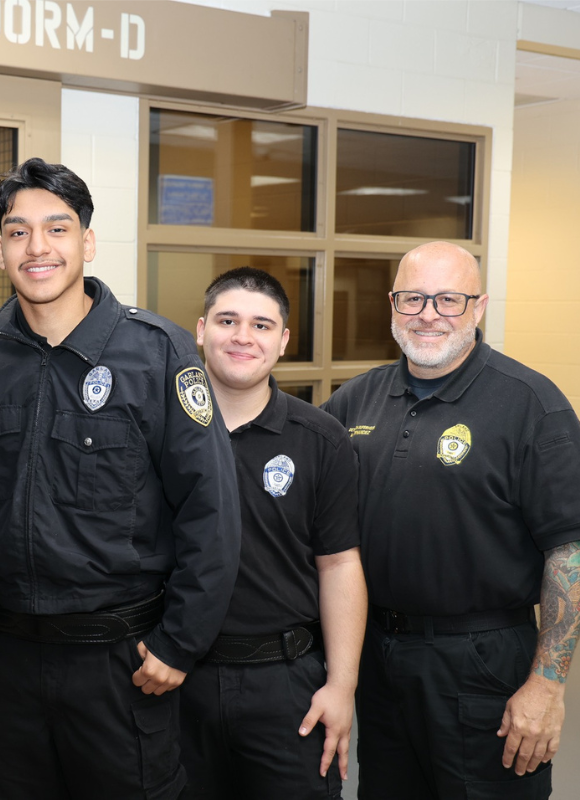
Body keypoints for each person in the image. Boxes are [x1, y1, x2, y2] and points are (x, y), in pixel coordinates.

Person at [0, 157, 241, 800]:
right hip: (6, 660)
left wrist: (180, 643)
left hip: (121, 662)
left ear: (88, 242)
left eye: (57, 229)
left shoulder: (158, 353)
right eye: (18, 232)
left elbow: (211, 508)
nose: (37, 248)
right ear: (0, 250)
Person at [322, 241, 580, 799]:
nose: (428, 314)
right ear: (392, 305)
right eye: (413, 299)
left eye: (448, 299)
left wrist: (548, 685)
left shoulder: (529, 402)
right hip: (379, 655)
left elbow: (570, 550)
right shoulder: (357, 400)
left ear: (478, 308)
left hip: (483, 661)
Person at [180, 267, 367, 799]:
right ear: (200, 330)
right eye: (227, 320)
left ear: (283, 341)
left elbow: (339, 564)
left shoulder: (320, 439)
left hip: (287, 686)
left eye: (262, 325)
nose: (243, 336)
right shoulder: (161, 431)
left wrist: (342, 686)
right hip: (177, 681)